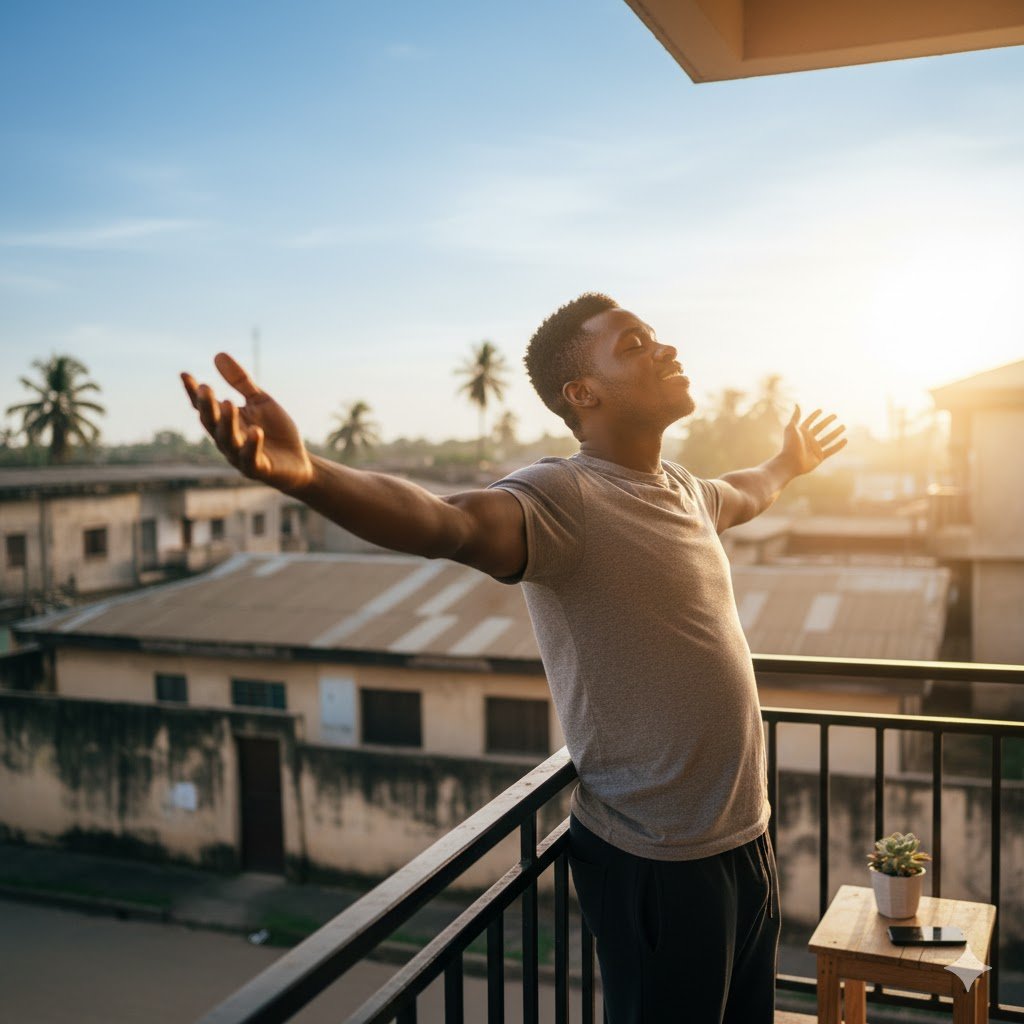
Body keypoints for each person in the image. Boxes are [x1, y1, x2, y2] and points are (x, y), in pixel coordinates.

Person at [182, 292, 846, 1023]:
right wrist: (307, 475)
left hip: (742, 837)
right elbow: (448, 522)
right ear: (582, 394)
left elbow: (746, 492)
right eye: (632, 344)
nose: (663, 348)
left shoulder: (684, 489)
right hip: (658, 862)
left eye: (655, 336)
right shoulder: (567, 495)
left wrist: (788, 462)